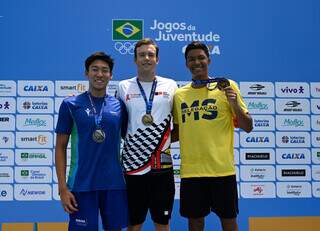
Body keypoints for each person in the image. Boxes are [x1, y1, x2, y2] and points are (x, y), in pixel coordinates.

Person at [172, 41, 253, 231]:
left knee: (229, 221)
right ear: (186, 64)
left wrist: (234, 105)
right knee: (195, 223)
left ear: (209, 60)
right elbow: (177, 132)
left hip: (222, 171)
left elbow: (247, 126)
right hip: (192, 172)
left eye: (201, 57)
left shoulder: (227, 86)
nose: (197, 62)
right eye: (191, 59)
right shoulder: (179, 95)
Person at [55, 52, 128, 231]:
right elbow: (60, 147)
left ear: (111, 75)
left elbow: (129, 139)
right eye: (94, 69)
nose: (99, 74)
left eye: (105, 70)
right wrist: (63, 189)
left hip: (114, 184)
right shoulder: (70, 104)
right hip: (82, 184)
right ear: (86, 73)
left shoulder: (120, 106)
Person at [117, 38, 177, 231]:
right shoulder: (123, 86)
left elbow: (178, 125)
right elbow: (119, 124)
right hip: (133, 165)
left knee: (163, 222)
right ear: (135, 59)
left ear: (157, 59)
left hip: (162, 165)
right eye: (142, 55)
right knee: (134, 223)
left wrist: (163, 142)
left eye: (151, 55)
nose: (146, 58)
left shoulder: (171, 85)